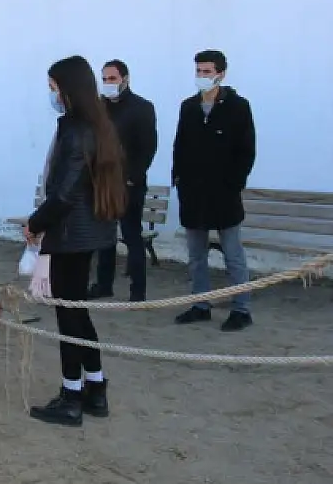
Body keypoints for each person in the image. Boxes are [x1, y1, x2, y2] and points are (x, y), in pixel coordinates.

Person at [25, 55, 126, 427]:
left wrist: (36, 223)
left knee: (68, 317)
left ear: (67, 88)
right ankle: (95, 387)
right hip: (88, 233)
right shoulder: (98, 124)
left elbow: (65, 193)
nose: (51, 94)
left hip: (70, 234)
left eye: (53, 87)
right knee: (78, 312)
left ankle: (71, 397)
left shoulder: (76, 129)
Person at [172, 49, 257, 332]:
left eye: (207, 72)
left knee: (233, 255)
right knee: (196, 256)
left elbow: (246, 151)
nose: (201, 76)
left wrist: (234, 183)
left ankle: (241, 309)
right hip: (193, 195)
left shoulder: (238, 106)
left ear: (220, 73)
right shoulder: (188, 106)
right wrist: (180, 179)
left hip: (224, 196)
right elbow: (180, 146)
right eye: (198, 71)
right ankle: (200, 304)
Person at [89, 59, 157, 301]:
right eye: (104, 79)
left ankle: (138, 291)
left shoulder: (142, 108)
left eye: (113, 79)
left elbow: (147, 148)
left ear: (125, 79)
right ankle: (103, 284)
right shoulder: (98, 108)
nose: (108, 83)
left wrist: (131, 178)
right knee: (105, 237)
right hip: (103, 184)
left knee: (131, 236)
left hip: (129, 185)